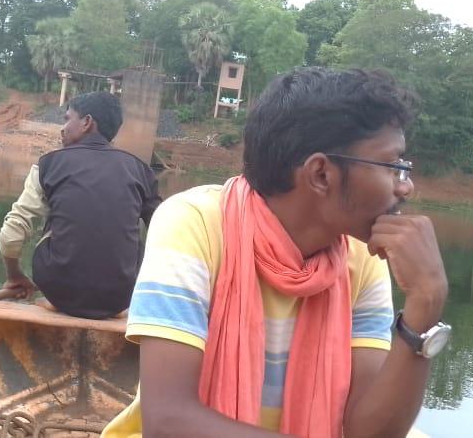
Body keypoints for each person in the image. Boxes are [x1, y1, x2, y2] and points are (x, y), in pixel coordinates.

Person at [102, 67, 452, 437]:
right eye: (393, 166)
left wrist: (426, 302)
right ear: (320, 174)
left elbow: (369, 431)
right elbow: (169, 422)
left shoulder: (361, 256)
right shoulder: (196, 224)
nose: (406, 187)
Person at [0, 91, 162, 319]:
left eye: (67, 119)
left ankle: (52, 301)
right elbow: (166, 232)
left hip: (59, 291)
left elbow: (12, 233)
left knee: (52, 225)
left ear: (86, 122)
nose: (62, 128)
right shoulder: (140, 171)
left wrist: (15, 275)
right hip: (121, 296)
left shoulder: (48, 165)